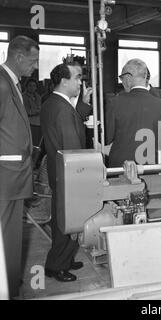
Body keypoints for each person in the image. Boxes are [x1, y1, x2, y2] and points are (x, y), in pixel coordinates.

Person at [40, 63, 89, 282]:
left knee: (66, 218)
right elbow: (72, 146)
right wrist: (84, 173)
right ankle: (55, 266)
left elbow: (73, 122)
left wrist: (83, 105)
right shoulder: (61, 108)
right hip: (69, 174)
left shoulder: (55, 103)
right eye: (77, 78)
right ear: (64, 80)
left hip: (59, 172)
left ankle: (66, 259)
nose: (80, 82)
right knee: (67, 222)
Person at [0, 35, 39, 298]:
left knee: (11, 235)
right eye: (34, 61)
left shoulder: (11, 83)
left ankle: (10, 283)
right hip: (5, 175)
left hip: (13, 174)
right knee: (5, 236)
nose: (35, 67)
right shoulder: (2, 84)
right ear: (19, 56)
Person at [106, 59, 161, 167]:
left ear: (128, 78)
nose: (122, 82)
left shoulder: (115, 103)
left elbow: (107, 138)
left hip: (121, 166)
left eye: (122, 78)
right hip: (151, 166)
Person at [23, 78, 42, 145]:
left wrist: (37, 111)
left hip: (39, 123)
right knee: (31, 144)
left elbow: (40, 109)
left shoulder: (38, 97)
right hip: (29, 123)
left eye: (34, 85)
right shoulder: (23, 97)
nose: (32, 87)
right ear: (26, 86)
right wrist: (37, 111)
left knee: (38, 143)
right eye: (30, 85)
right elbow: (27, 111)